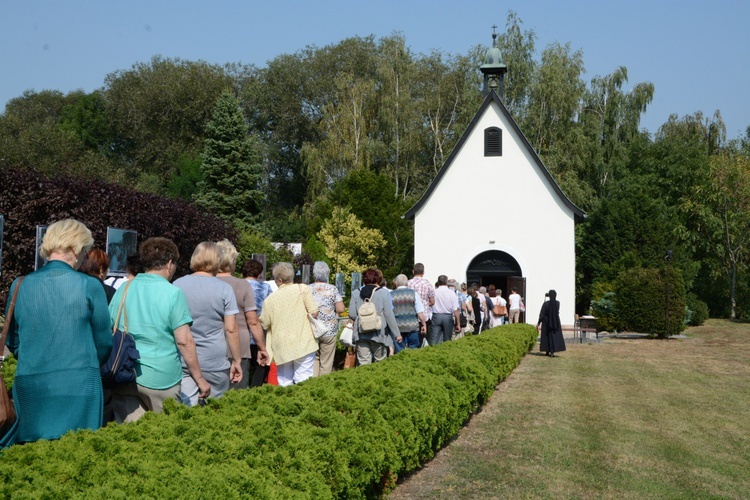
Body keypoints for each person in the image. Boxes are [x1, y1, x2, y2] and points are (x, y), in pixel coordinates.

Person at [4, 219, 112, 445]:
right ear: (75, 248)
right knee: (76, 457)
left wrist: (35, 359)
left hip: (31, 384)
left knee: (31, 459)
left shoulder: (19, 285)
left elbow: (14, 340)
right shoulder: (90, 285)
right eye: (84, 250)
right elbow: (103, 343)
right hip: (80, 384)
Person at [108, 237, 209, 423]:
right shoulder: (173, 293)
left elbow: (110, 326)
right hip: (161, 377)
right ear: (169, 264)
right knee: (162, 439)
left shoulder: (124, 288)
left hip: (125, 373)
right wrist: (199, 379)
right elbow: (184, 340)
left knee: (129, 439)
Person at [174, 242, 242, 405]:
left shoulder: (177, 285)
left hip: (184, 360)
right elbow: (231, 329)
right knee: (215, 412)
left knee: (187, 410)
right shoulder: (224, 289)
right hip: (215, 361)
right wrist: (237, 360)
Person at [215, 240, 269, 390]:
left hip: (210, 345)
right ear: (232, 262)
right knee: (236, 393)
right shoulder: (242, 285)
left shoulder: (206, 283)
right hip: (239, 346)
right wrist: (262, 348)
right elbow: (253, 321)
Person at [259, 262, 320, 386]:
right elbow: (314, 312)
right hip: (304, 341)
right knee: (304, 379)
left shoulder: (270, 299)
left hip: (282, 345)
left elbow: (264, 323)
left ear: (279, 280)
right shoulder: (303, 289)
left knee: (284, 381)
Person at [349, 268, 400, 365]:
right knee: (380, 363)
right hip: (379, 333)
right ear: (377, 279)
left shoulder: (355, 293)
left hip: (361, 333)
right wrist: (397, 334)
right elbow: (389, 315)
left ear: (364, 280)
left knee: (364, 363)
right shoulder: (383, 293)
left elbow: (352, 314)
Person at [309, 261, 345, 376]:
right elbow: (340, 309)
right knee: (326, 361)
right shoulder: (332, 289)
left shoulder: (307, 289)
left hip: (312, 329)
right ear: (327, 274)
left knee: (314, 359)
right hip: (329, 329)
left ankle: (313, 385)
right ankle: (323, 386)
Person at [242, 259, 273, 387]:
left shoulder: (237, 285)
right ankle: (255, 388)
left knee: (243, 364)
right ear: (259, 274)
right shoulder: (265, 287)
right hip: (258, 331)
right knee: (261, 364)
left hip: (240, 330)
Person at [391, 274, 427, 351]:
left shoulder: (390, 294)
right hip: (412, 326)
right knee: (414, 350)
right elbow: (419, 311)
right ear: (407, 283)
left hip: (397, 327)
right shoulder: (413, 293)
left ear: (396, 283)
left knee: (399, 352)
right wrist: (423, 324)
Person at [430, 275, 461, 345]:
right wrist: (458, 323)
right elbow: (455, 310)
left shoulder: (434, 292)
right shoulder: (452, 293)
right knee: (447, 340)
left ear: (438, 282)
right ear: (447, 283)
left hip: (436, 316)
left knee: (434, 340)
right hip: (448, 317)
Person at [407, 263, 435, 338]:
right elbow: (432, 302)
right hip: (424, 315)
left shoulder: (408, 283)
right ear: (423, 273)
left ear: (413, 271)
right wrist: (424, 304)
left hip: (410, 316)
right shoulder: (428, 284)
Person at [537, 290, 566, 357]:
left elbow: (542, 314)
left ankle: (547, 350)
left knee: (546, 336)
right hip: (555, 321)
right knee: (554, 336)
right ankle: (552, 351)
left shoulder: (546, 304)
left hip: (547, 322)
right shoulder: (557, 303)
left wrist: (539, 322)